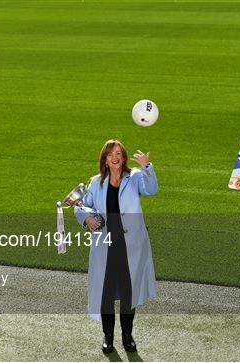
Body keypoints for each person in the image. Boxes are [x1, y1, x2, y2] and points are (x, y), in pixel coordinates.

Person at [75, 139, 158, 354]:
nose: (115, 157)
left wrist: (147, 167)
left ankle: (127, 336)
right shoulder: (96, 182)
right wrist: (87, 219)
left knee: (129, 293)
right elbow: (83, 205)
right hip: (106, 246)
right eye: (111, 154)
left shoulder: (135, 177)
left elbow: (151, 190)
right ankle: (108, 336)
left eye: (119, 153)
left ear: (123, 157)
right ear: (105, 158)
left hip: (131, 246)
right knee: (106, 292)